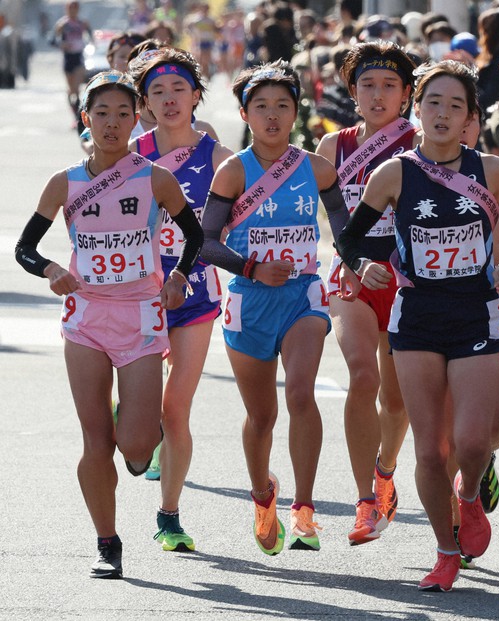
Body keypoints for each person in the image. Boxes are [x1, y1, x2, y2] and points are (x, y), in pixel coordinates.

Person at [336, 60, 499, 592]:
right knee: (428, 450)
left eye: (455, 105)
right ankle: (445, 552)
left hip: (475, 313)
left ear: (470, 115)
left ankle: (468, 499)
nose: (442, 114)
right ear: (416, 110)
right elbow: (349, 239)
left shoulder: (493, 171)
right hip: (416, 318)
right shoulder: (394, 173)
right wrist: (362, 266)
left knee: (471, 441)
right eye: (433, 103)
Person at [14, 71, 203, 578]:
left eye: (123, 114)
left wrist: (180, 275)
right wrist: (52, 269)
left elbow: (194, 234)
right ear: (86, 119)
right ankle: (107, 542)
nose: (113, 124)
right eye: (102, 114)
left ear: (135, 117)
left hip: (141, 316)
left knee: (137, 448)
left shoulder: (154, 177)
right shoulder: (65, 182)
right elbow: (24, 249)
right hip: (86, 319)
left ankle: (138, 429)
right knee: (95, 439)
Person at [199, 61, 349, 556]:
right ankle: (263, 495)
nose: (271, 115)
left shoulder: (317, 167)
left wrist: (358, 261)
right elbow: (204, 243)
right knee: (261, 415)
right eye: (260, 106)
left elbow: (346, 231)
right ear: (244, 113)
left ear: (295, 113)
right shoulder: (233, 169)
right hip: (249, 300)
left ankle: (304, 507)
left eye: (282, 106)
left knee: (302, 393)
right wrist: (251, 267)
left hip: (304, 295)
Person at [129, 47, 234, 551]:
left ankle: (169, 514)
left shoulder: (218, 158)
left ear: (196, 95)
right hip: (135, 294)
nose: (169, 100)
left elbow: (236, 225)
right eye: (157, 92)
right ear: (144, 102)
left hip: (194, 292)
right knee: (144, 417)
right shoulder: (130, 152)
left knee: (176, 413)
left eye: (179, 90)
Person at [315, 41, 418, 545]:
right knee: (361, 375)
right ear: (352, 93)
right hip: (353, 275)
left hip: (410, 280)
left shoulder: (424, 143)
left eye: (389, 86)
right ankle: (364, 500)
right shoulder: (332, 149)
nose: (378, 96)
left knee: (396, 399)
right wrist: (357, 262)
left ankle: (386, 468)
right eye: (367, 86)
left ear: (407, 94)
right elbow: (334, 223)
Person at [53, 1, 93, 129]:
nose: (73, 10)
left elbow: (91, 36)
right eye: (70, 8)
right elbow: (52, 39)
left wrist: (89, 43)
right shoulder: (62, 24)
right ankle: (75, 116)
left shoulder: (82, 23)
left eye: (75, 8)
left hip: (78, 58)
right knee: (71, 92)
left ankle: (79, 118)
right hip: (67, 59)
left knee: (77, 89)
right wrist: (62, 45)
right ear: (66, 9)